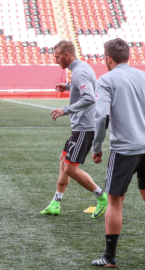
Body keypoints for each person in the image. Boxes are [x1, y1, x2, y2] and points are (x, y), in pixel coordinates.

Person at [91, 38, 145, 268]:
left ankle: (110, 257)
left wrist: (96, 147)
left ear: (108, 59)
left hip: (124, 149)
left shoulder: (106, 79)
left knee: (114, 200)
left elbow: (101, 116)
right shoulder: (143, 76)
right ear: (128, 57)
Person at [41, 40, 108, 218]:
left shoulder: (78, 72)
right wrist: (69, 87)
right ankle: (55, 203)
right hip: (82, 126)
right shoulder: (83, 67)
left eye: (57, 57)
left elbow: (89, 98)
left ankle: (102, 197)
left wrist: (65, 109)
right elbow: (89, 89)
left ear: (66, 55)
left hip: (85, 127)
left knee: (70, 168)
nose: (56, 61)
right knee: (63, 161)